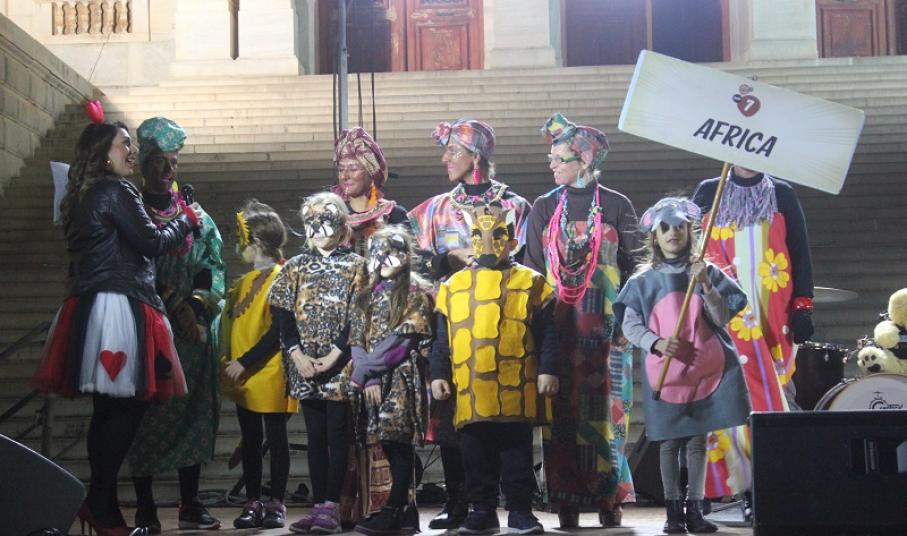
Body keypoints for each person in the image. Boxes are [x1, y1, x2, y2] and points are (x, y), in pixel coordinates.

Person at [33, 114, 197, 536]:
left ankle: (101, 504)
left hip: (96, 303)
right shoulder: (116, 190)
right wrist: (187, 219)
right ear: (103, 154)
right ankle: (100, 502)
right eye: (124, 143)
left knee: (109, 410)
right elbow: (153, 242)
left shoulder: (85, 194)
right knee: (124, 408)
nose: (132, 151)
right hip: (120, 304)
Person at [408, 118, 532, 530]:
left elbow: (528, 262)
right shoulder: (433, 210)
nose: (445, 159)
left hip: (502, 323)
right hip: (453, 324)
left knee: (507, 413)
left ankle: (514, 503)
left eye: (453, 152)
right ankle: (459, 500)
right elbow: (415, 262)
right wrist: (449, 260)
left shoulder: (515, 206)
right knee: (451, 415)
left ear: (475, 156)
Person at [524, 113, 641, 527]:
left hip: (607, 333)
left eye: (560, 159)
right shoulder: (543, 207)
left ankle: (609, 501)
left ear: (586, 160)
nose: (552, 165)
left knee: (609, 416)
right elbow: (533, 272)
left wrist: (629, 322)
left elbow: (637, 267)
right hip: (559, 331)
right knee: (562, 418)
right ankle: (565, 502)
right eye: (552, 159)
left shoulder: (616, 205)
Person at [614, 197, 751, 534]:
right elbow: (630, 325)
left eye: (679, 226)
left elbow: (721, 317)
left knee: (697, 442)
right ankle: (673, 511)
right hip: (667, 374)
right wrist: (656, 342)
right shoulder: (642, 282)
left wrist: (706, 285)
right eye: (665, 228)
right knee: (669, 442)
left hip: (704, 370)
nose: (672, 233)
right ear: (655, 236)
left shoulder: (706, 273)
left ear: (690, 232)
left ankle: (694, 509)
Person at [430, 204, 558, 535]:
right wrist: (438, 373)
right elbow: (442, 338)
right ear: (470, 239)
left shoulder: (532, 282)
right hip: (471, 388)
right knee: (475, 455)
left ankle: (520, 512)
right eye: (479, 235)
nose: (489, 243)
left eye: (498, 235)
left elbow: (547, 332)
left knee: (517, 454)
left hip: (516, 386)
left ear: (512, 240)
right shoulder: (453, 286)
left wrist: (548, 369)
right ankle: (482, 511)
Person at [691, 165, 814, 510]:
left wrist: (803, 306)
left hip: (772, 312)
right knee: (723, 396)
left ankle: (770, 486)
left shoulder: (782, 193)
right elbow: (688, 249)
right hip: (722, 311)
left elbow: (800, 251)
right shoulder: (708, 191)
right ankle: (721, 486)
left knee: (774, 396)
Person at [125, 117, 226, 532]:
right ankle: (145, 505)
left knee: (194, 413)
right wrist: (170, 301)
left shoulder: (194, 214)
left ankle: (190, 501)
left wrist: (197, 308)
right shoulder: (131, 210)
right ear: (143, 163)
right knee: (143, 416)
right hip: (145, 325)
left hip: (190, 334)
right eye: (159, 162)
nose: (168, 170)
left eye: (174, 162)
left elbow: (211, 263)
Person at [269, 192, 367, 534]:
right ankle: (318, 506)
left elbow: (359, 314)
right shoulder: (295, 266)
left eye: (326, 221)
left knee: (337, 436)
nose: (318, 228)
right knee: (315, 436)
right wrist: (296, 354)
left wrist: (335, 355)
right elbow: (282, 313)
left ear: (341, 226)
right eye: (312, 222)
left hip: (339, 365)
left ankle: (331, 506)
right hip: (305, 365)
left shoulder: (357, 265)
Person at [349, 226, 434, 535]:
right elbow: (357, 338)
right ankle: (404, 512)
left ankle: (395, 508)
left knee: (397, 441)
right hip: (373, 381)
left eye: (391, 253)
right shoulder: (366, 294)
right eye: (377, 254)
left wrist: (366, 371)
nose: (383, 260)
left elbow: (401, 342)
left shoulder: (414, 292)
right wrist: (366, 375)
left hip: (399, 378)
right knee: (383, 442)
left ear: (405, 257)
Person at [221, 200, 298, 529]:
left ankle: (276, 501)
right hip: (243, 374)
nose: (239, 246)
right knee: (250, 438)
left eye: (242, 239)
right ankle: (252, 499)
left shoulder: (281, 278)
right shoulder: (243, 282)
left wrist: (246, 361)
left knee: (276, 437)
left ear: (256, 242)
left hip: (269, 370)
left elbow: (279, 330)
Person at [332, 127, 408, 255]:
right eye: (341, 169)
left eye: (353, 169)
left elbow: (411, 258)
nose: (345, 176)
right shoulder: (331, 217)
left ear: (371, 173)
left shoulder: (395, 215)